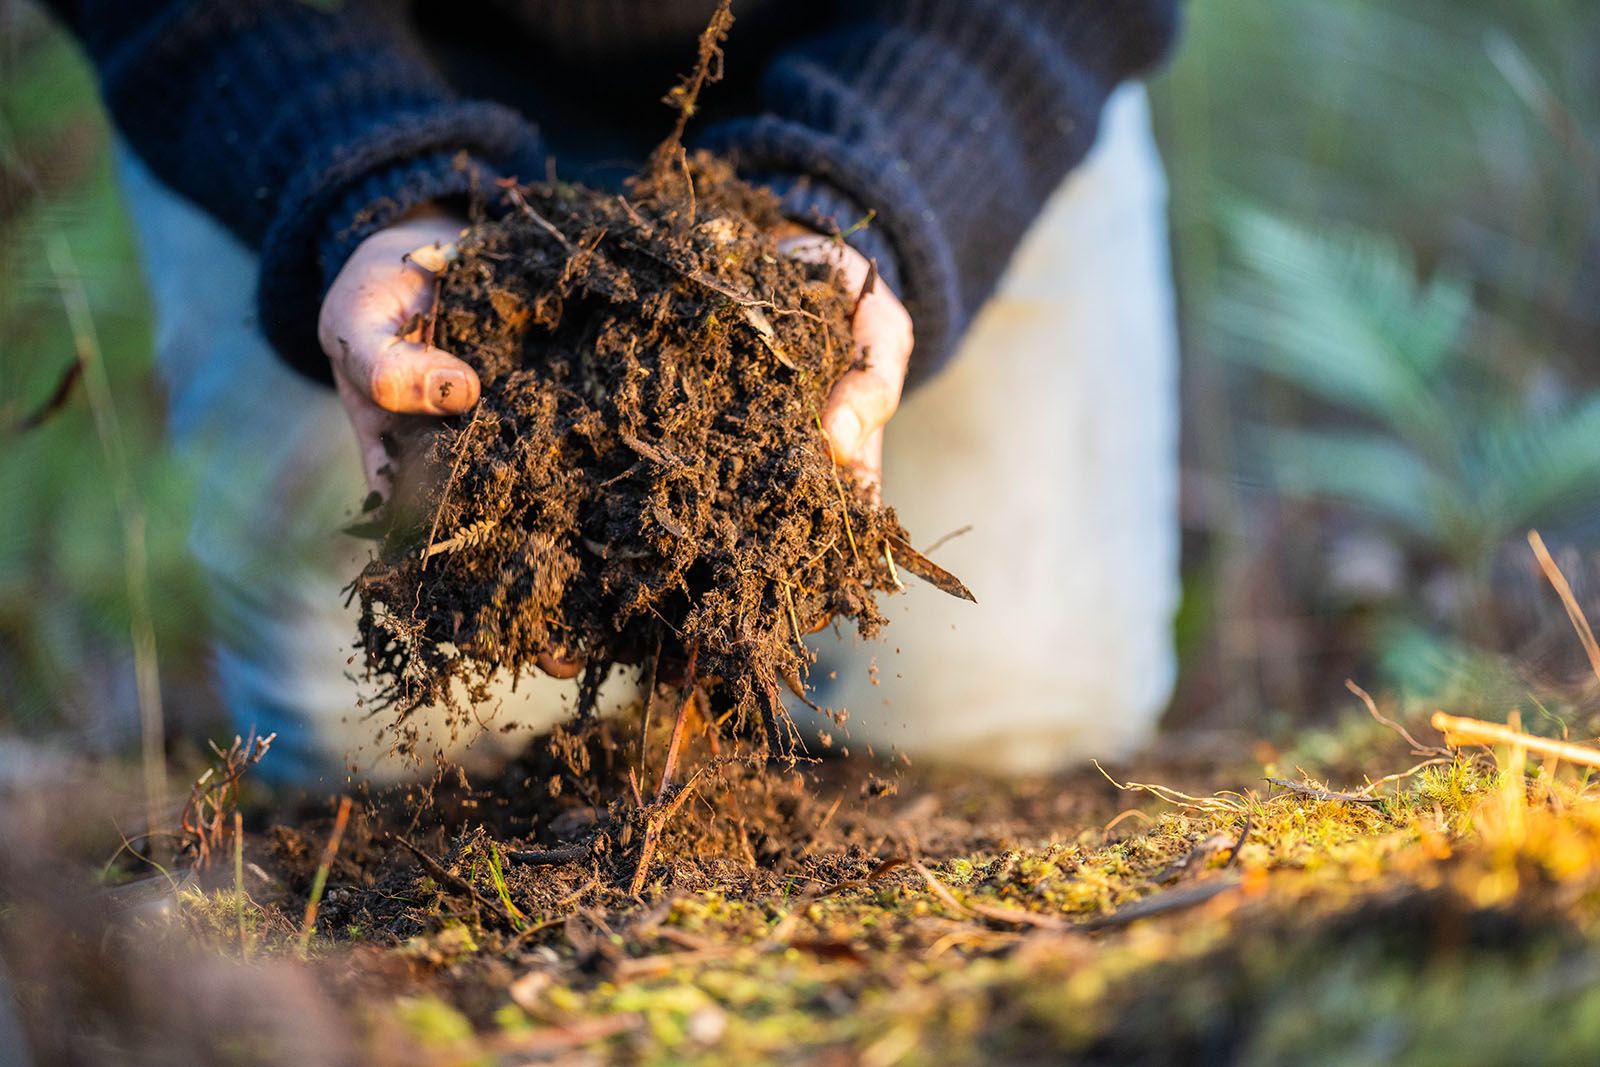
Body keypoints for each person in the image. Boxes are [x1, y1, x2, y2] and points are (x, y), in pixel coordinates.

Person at [46, 0, 1181, 783]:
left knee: (1005, 713)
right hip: (329, 81)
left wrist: (859, 192)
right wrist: (369, 185)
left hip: (934, 72)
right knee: (382, 744)